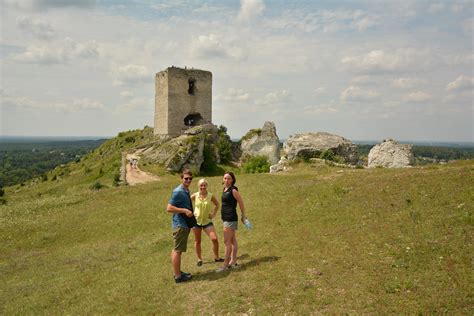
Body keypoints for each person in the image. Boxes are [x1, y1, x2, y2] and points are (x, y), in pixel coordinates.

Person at [167, 169, 196, 283]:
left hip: (183, 224)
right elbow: (169, 208)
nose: (188, 180)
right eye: (186, 178)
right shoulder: (178, 191)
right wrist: (184, 210)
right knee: (177, 250)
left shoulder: (186, 190)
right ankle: (178, 277)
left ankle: (177, 272)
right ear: (181, 178)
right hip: (180, 224)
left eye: (190, 178)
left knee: (176, 250)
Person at [216, 171, 247, 272]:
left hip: (230, 218)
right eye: (225, 178)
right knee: (233, 241)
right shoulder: (225, 189)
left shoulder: (233, 190)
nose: (226, 180)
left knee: (227, 242)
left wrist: (243, 216)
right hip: (226, 218)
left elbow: (241, 202)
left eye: (229, 178)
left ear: (232, 180)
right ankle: (233, 261)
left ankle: (225, 265)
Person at [191, 178, 224, 266]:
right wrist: (190, 212)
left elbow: (217, 204)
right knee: (197, 241)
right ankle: (199, 259)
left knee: (214, 239)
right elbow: (186, 202)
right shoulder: (195, 195)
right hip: (196, 222)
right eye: (201, 185)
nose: (203, 187)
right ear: (199, 186)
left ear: (207, 186)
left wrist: (213, 214)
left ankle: (217, 258)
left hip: (207, 221)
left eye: (205, 185)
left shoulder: (210, 195)